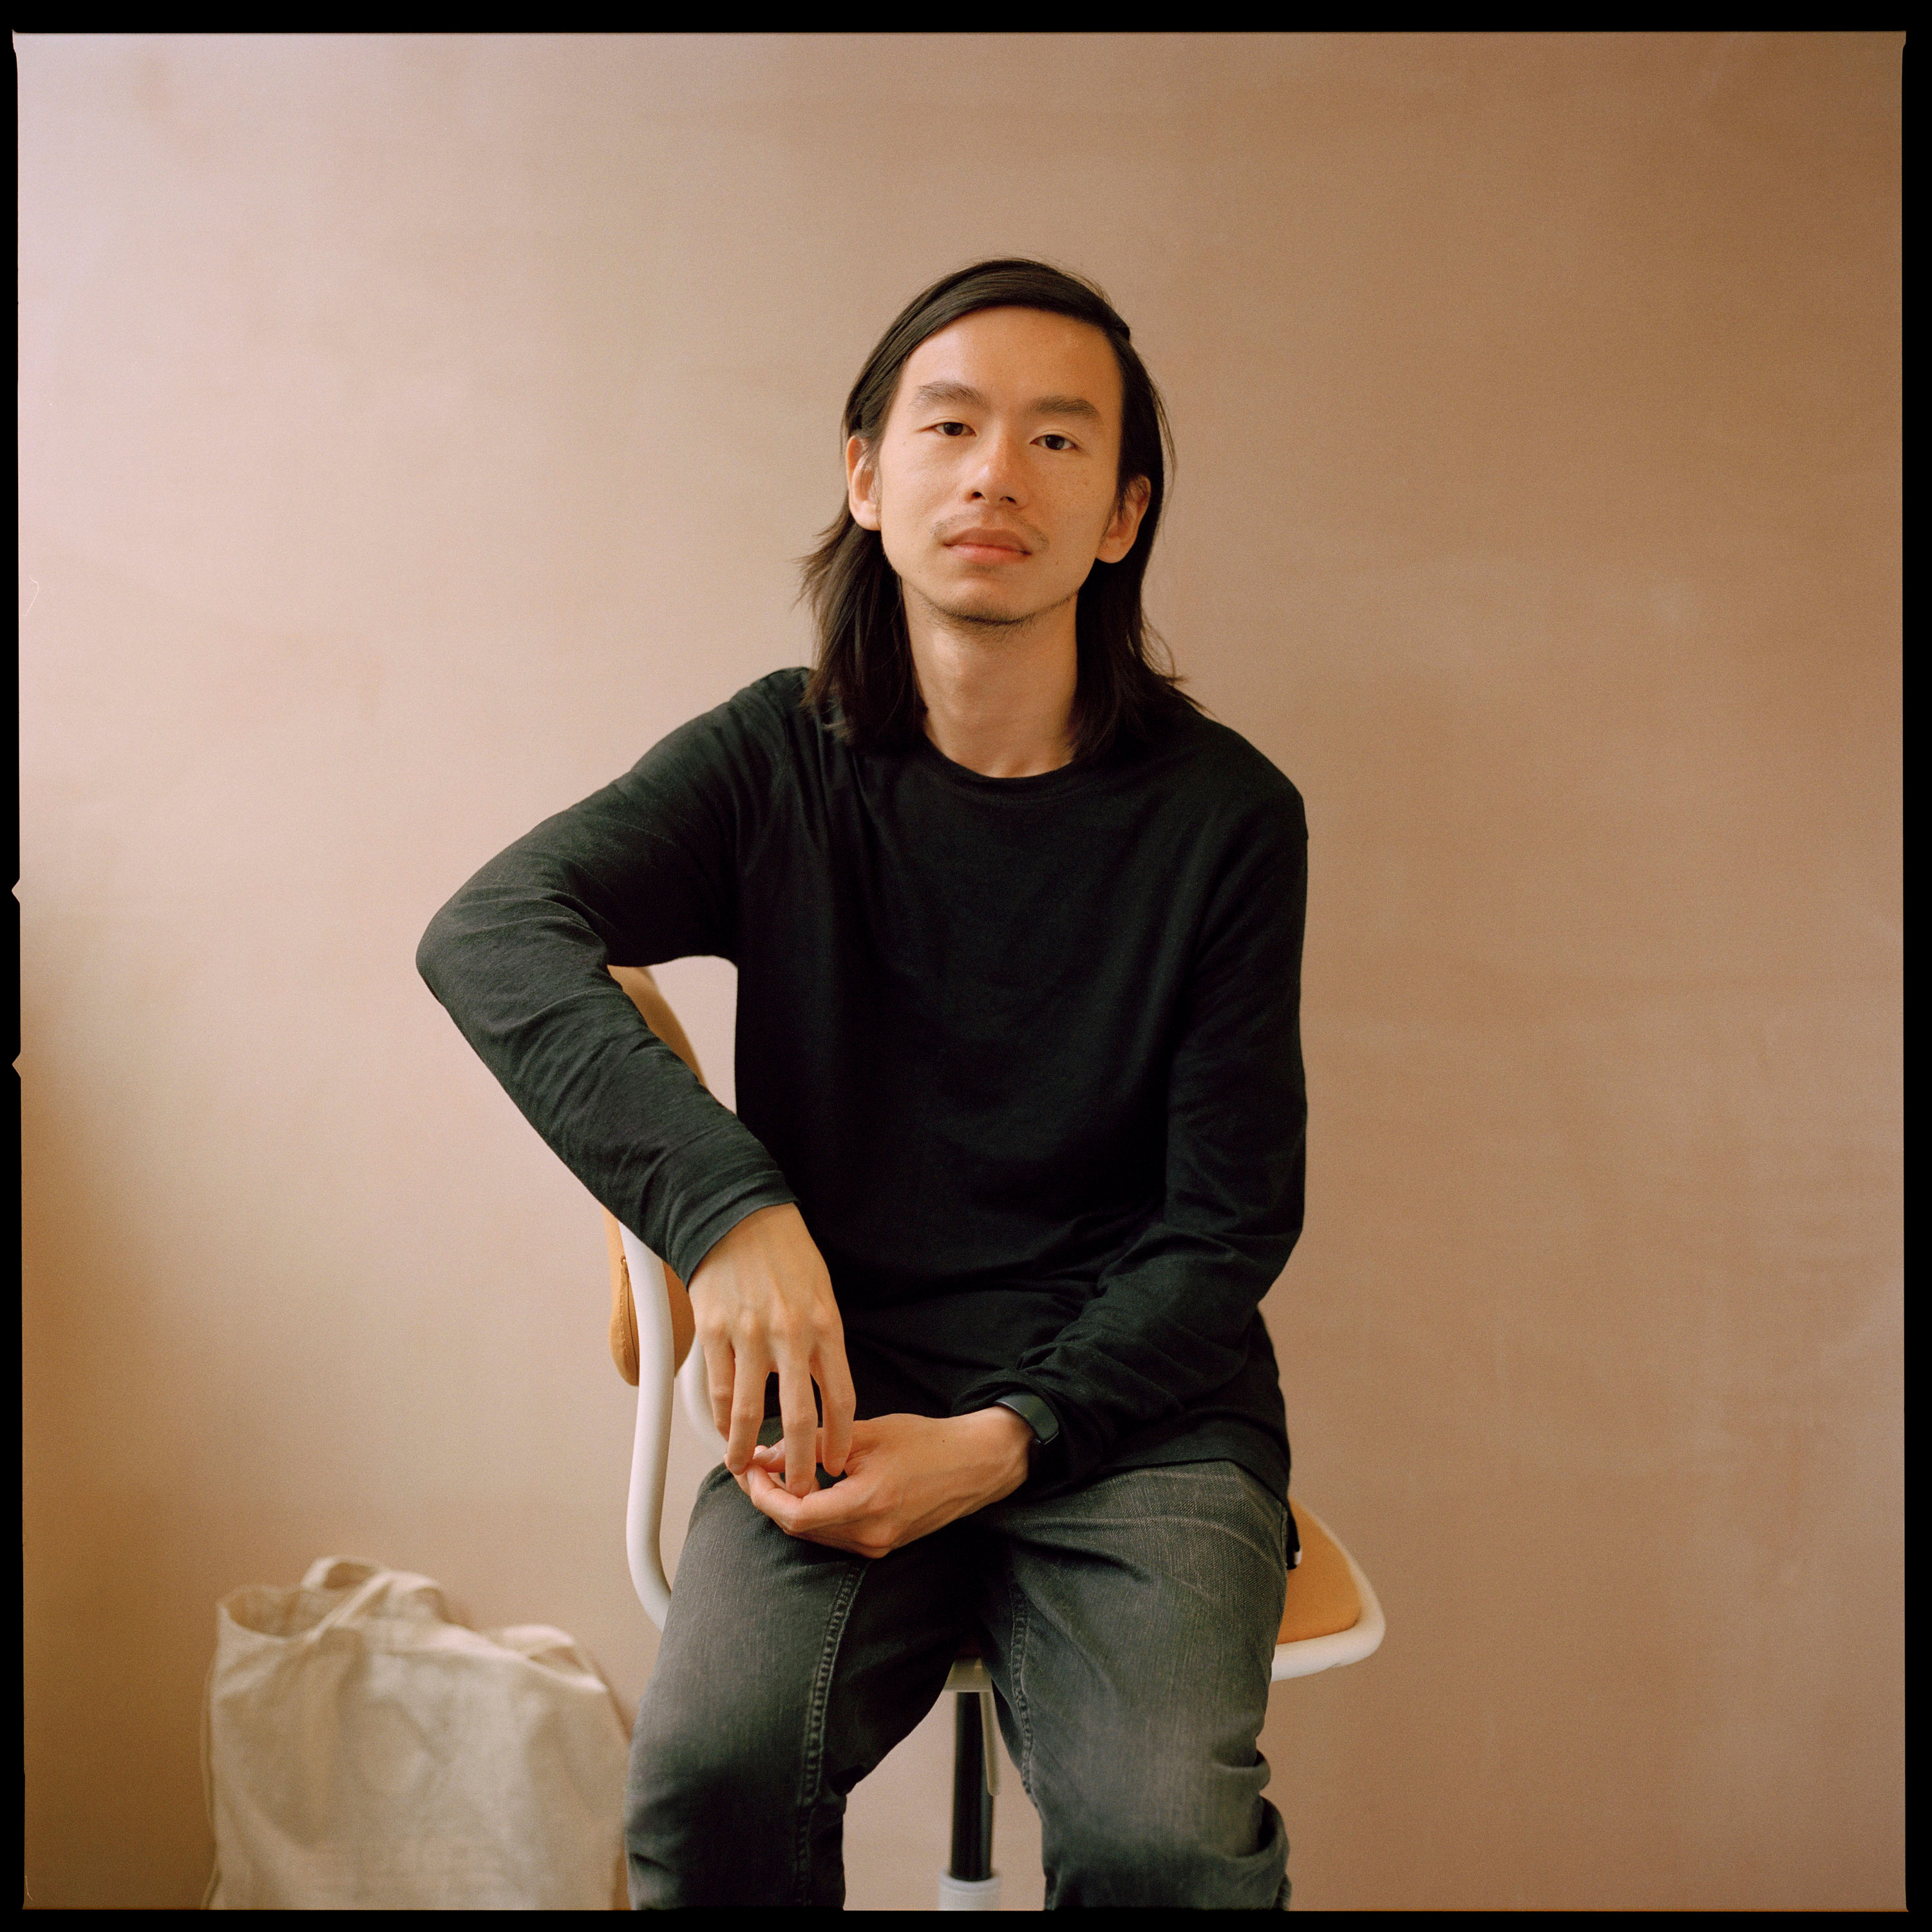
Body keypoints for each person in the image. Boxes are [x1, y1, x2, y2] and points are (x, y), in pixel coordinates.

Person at [417, 258, 1308, 1909]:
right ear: (866, 474)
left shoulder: (1226, 817)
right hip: (838, 1399)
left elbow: (1227, 1227)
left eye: (1057, 441)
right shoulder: (778, 758)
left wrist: (1010, 1437)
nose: (991, 472)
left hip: (1138, 1425)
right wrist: (728, 1209)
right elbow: (494, 933)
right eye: (950, 423)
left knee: (1163, 1849)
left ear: (1121, 517)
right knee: (705, 1790)